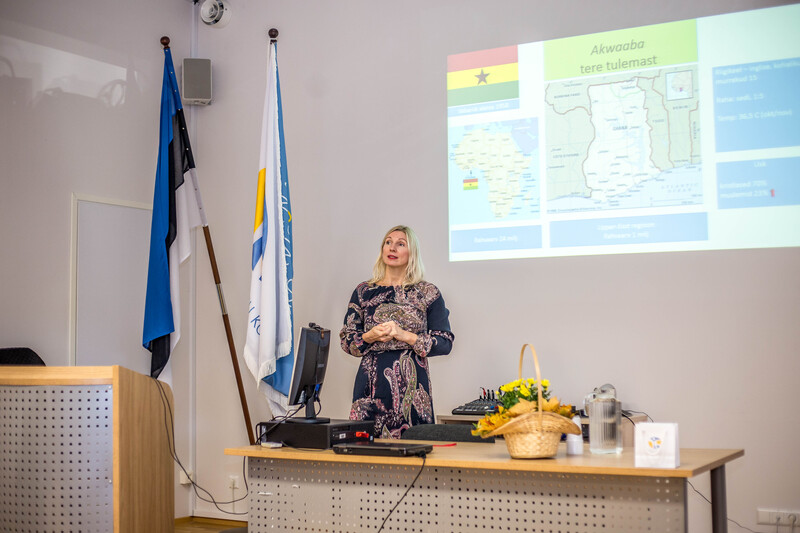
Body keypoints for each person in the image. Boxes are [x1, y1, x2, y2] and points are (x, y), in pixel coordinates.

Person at [340, 225, 454, 439]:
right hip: (369, 388)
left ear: (412, 253)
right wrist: (370, 336)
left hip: (412, 388)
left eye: (401, 244)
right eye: (388, 242)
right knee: (363, 451)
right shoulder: (363, 291)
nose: (392, 248)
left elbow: (444, 342)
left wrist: (404, 335)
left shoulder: (427, 292)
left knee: (414, 449)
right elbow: (347, 341)